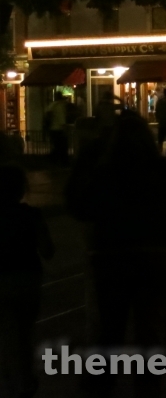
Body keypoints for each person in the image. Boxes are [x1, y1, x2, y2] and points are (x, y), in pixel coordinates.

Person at [66, 111, 166, 392]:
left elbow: (80, 206)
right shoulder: (163, 169)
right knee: (150, 329)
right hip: (155, 255)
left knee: (110, 328)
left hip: (112, 255)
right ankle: (147, 387)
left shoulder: (105, 172)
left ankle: (103, 385)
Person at [0, 165, 54, 398]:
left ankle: (12, 380)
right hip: (27, 278)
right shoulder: (31, 215)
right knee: (25, 332)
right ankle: (25, 379)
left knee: (6, 332)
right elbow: (47, 250)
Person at [45, 92, 69, 166]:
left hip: (52, 129)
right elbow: (62, 120)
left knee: (56, 146)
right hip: (59, 129)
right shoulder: (60, 106)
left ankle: (53, 161)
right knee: (62, 147)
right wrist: (65, 128)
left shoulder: (51, 106)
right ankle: (62, 162)